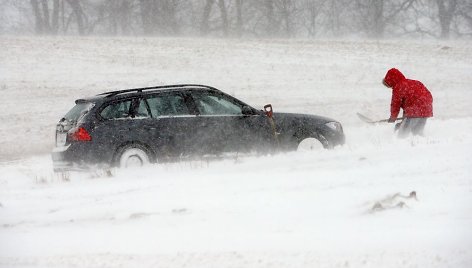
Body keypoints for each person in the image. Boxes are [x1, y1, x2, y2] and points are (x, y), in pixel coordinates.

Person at [383, 68, 433, 138]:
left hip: (415, 110)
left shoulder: (398, 87)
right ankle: (424, 145)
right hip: (426, 109)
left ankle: (402, 146)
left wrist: (393, 118)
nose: (391, 88)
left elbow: (395, 105)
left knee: (402, 135)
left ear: (391, 81)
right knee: (417, 133)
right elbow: (426, 96)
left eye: (390, 85)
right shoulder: (415, 82)